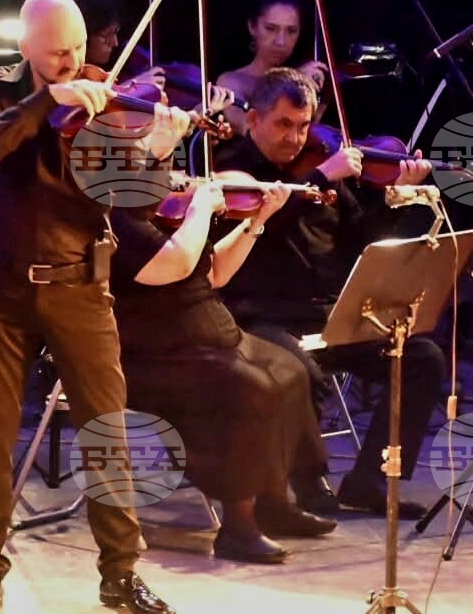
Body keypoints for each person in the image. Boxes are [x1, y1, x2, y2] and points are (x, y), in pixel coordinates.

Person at [0, 0, 187, 614]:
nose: (73, 61)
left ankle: (121, 574)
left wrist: (157, 152)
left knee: (107, 430)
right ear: (25, 46)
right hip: (5, 283)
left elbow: (136, 202)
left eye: (79, 48)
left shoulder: (104, 100)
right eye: (58, 51)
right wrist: (47, 99)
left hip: (81, 282)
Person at [216, 67, 445, 519]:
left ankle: (368, 481)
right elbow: (262, 224)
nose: (295, 138)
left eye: (303, 126)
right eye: (283, 124)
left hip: (326, 315)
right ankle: (306, 482)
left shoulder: (321, 168)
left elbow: (361, 239)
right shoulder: (233, 167)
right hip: (258, 316)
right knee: (302, 371)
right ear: (255, 119)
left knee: (422, 358)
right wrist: (320, 178)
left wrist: (395, 198)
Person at [108, 170, 336, 564]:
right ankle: (238, 526)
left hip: (209, 335)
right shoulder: (121, 219)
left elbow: (215, 274)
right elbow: (175, 265)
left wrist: (256, 221)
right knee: (248, 387)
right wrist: (200, 209)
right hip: (154, 351)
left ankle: (275, 503)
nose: (175, 179)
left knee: (290, 370)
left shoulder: (168, 214)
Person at [214, 0, 330, 145]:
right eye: (270, 28)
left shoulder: (308, 78)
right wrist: (294, 82)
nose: (281, 41)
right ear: (252, 27)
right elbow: (248, 128)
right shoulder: (231, 81)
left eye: (291, 31)